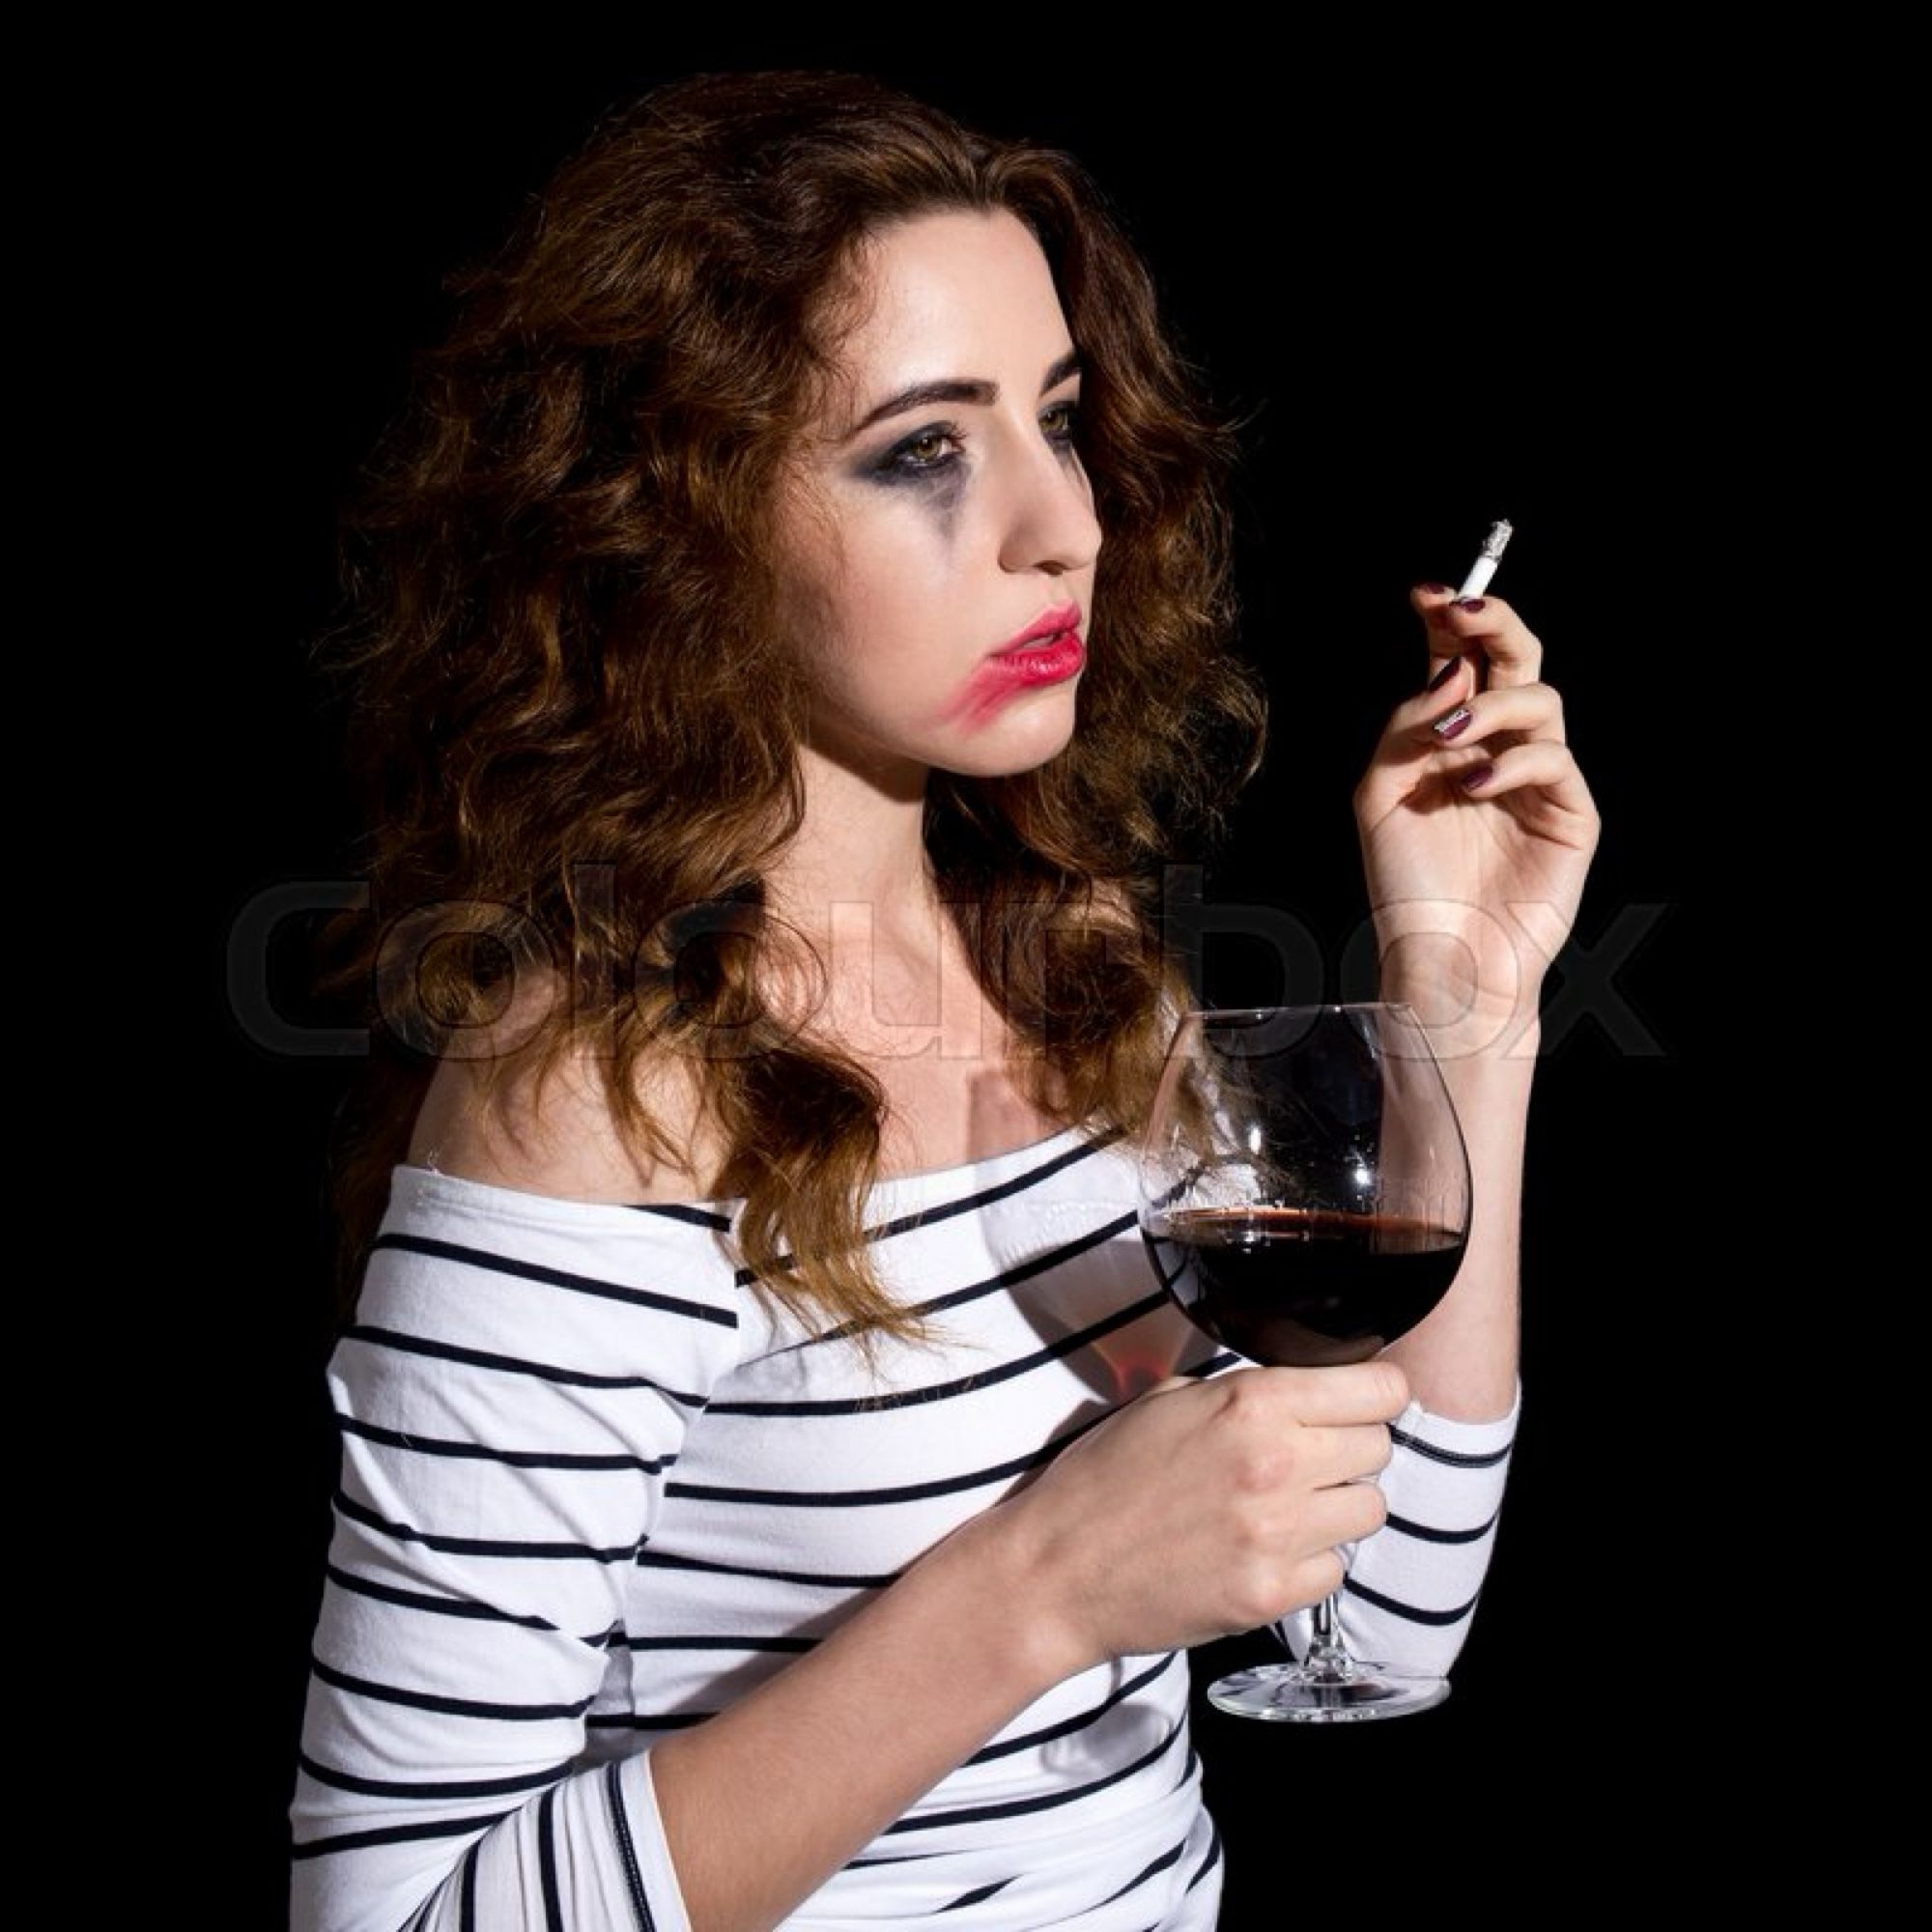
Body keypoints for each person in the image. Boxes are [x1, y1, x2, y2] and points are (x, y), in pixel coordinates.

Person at [289, 71, 1598, 1932]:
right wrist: (1040, 1589)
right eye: (924, 449)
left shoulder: (1079, 978)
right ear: (678, 519)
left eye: (1058, 422)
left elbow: (1374, 1633)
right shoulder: (593, 1099)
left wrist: (1464, 998)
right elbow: (391, 1916)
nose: (1060, 525)